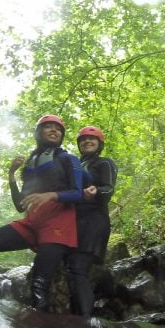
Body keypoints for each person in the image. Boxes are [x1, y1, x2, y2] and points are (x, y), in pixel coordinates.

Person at [0, 114, 84, 311]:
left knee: (39, 284)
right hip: (32, 222)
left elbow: (77, 194)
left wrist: (51, 195)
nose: (53, 130)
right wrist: (11, 175)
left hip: (58, 223)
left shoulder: (68, 159)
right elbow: (20, 205)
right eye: (48, 127)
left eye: (57, 128)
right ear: (39, 133)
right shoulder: (31, 165)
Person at [66, 126, 118, 316]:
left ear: (99, 144)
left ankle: (86, 324)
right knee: (71, 270)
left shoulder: (104, 163)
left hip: (93, 221)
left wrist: (96, 192)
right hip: (74, 222)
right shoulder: (74, 166)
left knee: (78, 270)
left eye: (92, 139)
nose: (87, 142)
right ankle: (77, 319)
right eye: (83, 140)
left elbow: (108, 189)